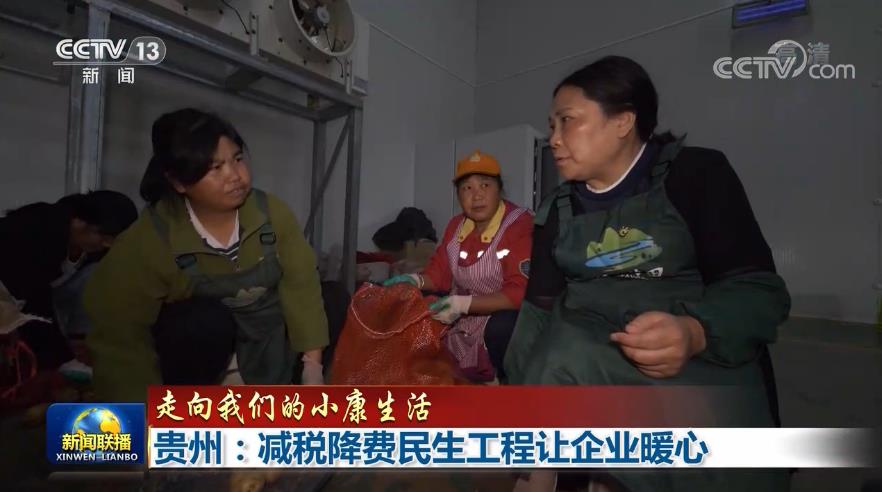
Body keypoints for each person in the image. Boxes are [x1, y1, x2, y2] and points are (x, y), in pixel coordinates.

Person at [504, 56, 790, 492]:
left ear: (623, 121)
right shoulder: (555, 212)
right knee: (554, 363)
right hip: (584, 361)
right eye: (552, 126)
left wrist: (695, 332)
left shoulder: (697, 175)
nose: (554, 139)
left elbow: (759, 291)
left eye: (567, 121)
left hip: (691, 362)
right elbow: (538, 311)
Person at [84, 108, 329, 402]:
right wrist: (142, 410)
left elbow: (301, 285)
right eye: (215, 168)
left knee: (333, 297)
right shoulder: (151, 239)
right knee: (200, 321)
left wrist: (312, 368)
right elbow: (119, 334)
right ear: (178, 182)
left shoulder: (271, 213)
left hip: (267, 339)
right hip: (200, 360)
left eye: (237, 159)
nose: (234, 176)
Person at [384, 151, 533, 383]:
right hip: (463, 317)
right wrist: (414, 280)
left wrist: (462, 304)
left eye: (485, 185)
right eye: (467, 188)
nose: (477, 195)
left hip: (500, 320)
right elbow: (438, 274)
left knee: (505, 327)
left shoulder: (519, 224)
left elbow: (519, 293)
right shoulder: (457, 226)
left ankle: (507, 384)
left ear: (499, 190)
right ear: (459, 196)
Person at [0, 190, 137, 374]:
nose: (107, 245)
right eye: (104, 238)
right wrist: (64, 355)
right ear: (79, 223)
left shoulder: (91, 249)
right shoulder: (39, 233)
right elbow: (35, 303)